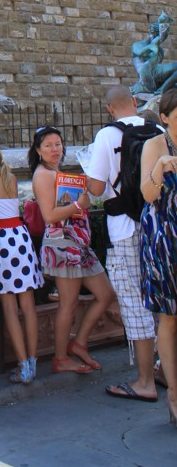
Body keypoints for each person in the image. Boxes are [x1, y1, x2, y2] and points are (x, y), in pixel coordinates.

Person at [86, 86, 158, 402]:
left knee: (134, 302)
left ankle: (145, 381)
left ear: (109, 109)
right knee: (162, 300)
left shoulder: (106, 135)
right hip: (158, 225)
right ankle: (164, 369)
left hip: (124, 228)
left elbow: (96, 188)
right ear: (134, 102)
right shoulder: (158, 130)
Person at [29, 126, 115, 374]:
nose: (55, 149)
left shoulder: (56, 172)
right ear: (38, 150)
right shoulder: (43, 175)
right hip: (62, 244)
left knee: (105, 294)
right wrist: (78, 204)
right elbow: (49, 216)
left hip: (77, 243)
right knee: (68, 303)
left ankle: (78, 343)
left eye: (58, 144)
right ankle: (60, 358)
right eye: (48, 145)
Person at [0, 141, 42, 385]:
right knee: (28, 305)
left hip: (0, 241)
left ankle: (23, 366)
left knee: (10, 307)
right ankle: (32, 361)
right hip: (20, 238)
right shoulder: (10, 177)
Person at [140, 88, 177, 427]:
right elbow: (148, 194)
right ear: (164, 117)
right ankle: (174, 395)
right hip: (164, 237)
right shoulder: (155, 145)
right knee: (169, 317)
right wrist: (161, 167)